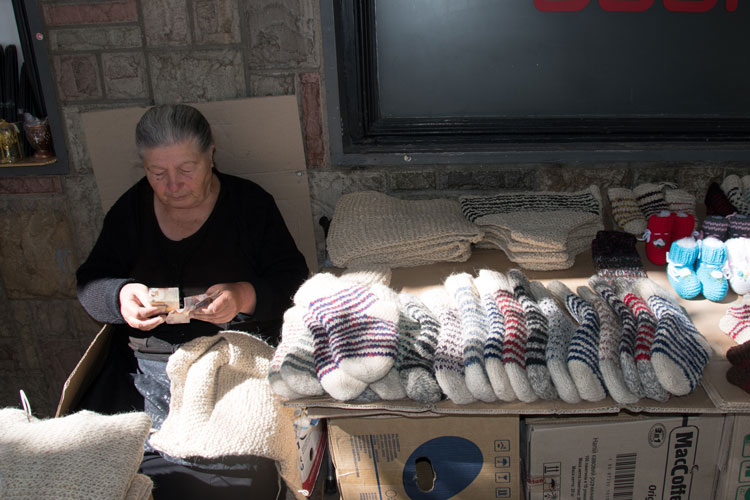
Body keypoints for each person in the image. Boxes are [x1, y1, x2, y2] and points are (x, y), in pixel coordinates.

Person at [76, 103, 309, 500]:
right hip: (145, 366)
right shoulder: (131, 211)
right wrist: (120, 296)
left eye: (186, 169)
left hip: (233, 357)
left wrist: (243, 296)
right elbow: (89, 282)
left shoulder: (249, 206)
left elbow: (294, 281)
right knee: (114, 468)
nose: (172, 185)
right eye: (157, 173)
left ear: (211, 155)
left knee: (234, 475)